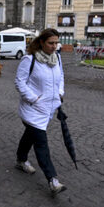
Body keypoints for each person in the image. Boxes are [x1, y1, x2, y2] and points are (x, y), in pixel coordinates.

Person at [14, 28, 66, 195]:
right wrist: (34, 99)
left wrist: (60, 93)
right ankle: (52, 180)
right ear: (41, 42)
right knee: (41, 141)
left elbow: (61, 78)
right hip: (32, 109)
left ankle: (21, 160)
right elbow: (20, 82)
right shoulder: (29, 60)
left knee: (30, 134)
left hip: (49, 108)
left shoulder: (57, 58)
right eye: (51, 43)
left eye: (57, 42)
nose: (54, 46)